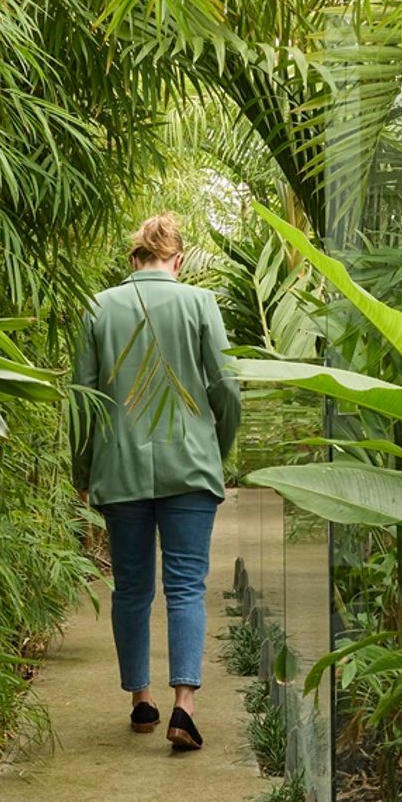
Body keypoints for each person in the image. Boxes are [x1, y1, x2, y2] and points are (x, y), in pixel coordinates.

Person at [71, 213, 242, 750]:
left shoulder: (97, 307)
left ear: (134, 259)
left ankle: (141, 700)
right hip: (190, 465)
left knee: (133, 588)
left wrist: (82, 470)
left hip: (119, 469)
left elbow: (83, 399)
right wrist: (218, 449)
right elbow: (228, 389)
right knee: (186, 586)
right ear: (179, 259)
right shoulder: (199, 304)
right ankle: (183, 709)